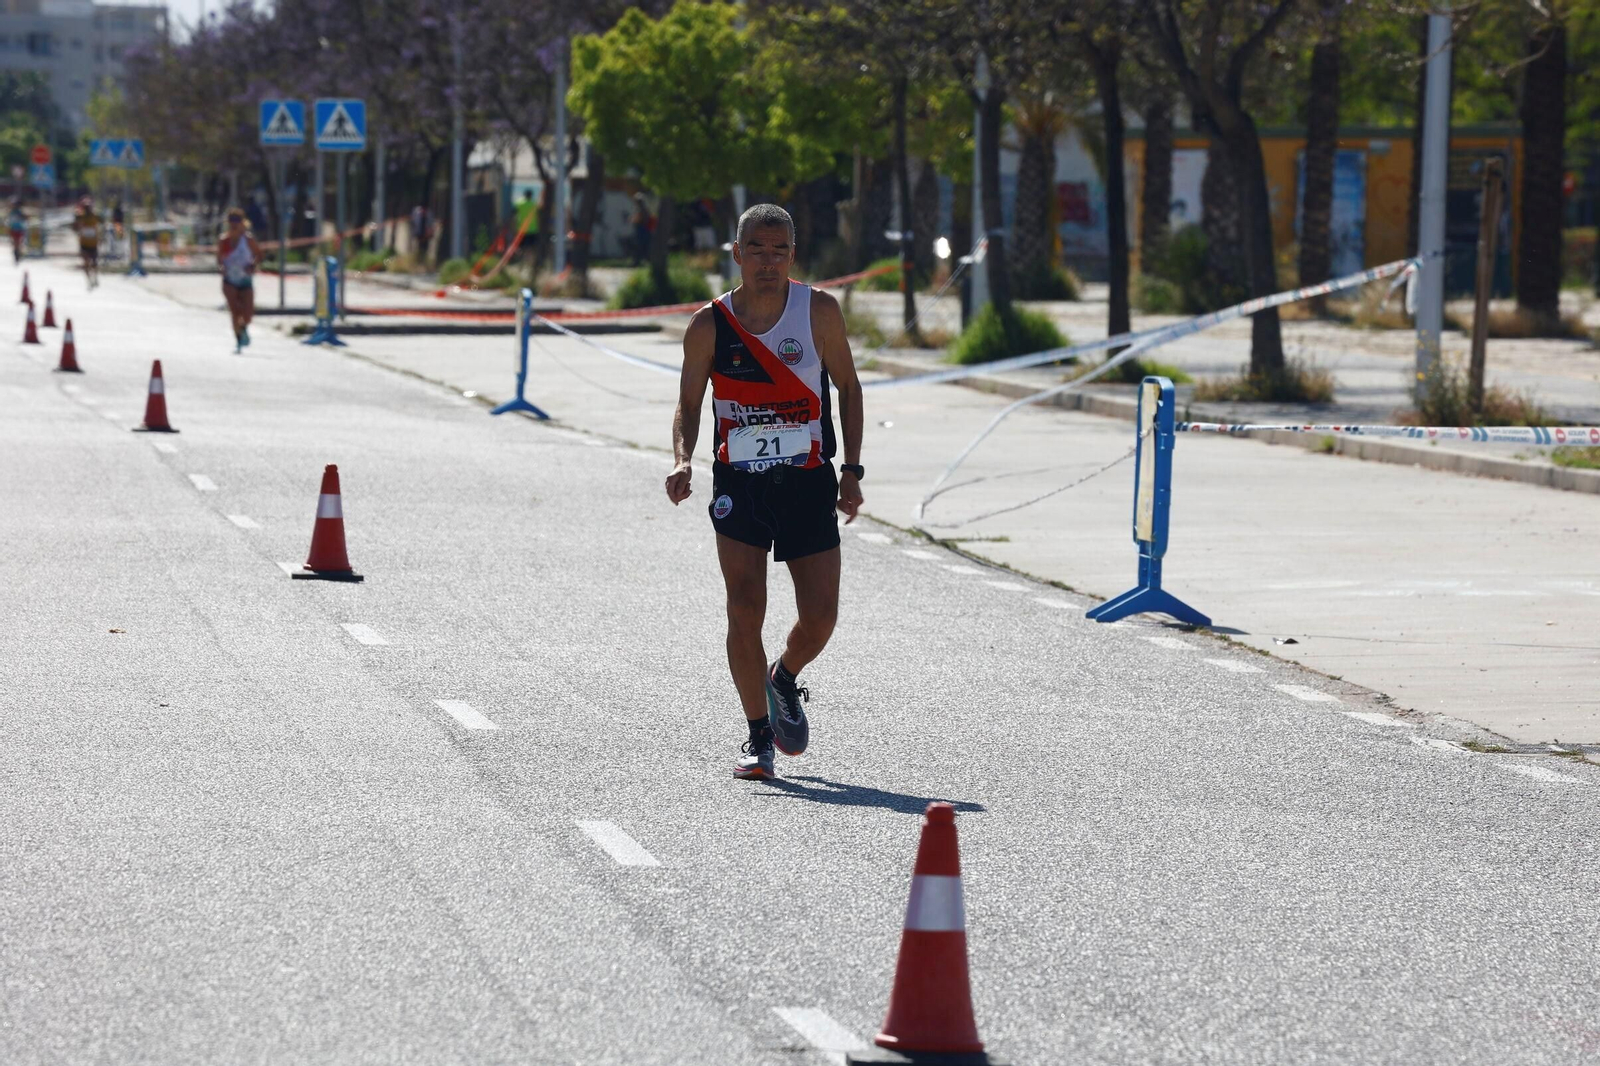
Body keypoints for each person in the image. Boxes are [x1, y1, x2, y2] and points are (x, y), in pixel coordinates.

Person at [665, 203, 865, 780]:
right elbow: (688, 402)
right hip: (740, 485)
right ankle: (757, 736)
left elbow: (849, 387)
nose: (769, 262)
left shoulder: (817, 311)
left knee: (820, 616)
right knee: (745, 605)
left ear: (793, 257)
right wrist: (683, 458)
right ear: (737, 254)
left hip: (806, 481)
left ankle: (783, 676)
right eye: (757, 249)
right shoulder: (710, 325)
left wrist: (852, 470)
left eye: (780, 251)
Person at [217, 207, 261, 351]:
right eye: (231, 221)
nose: (234, 224)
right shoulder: (224, 240)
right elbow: (219, 259)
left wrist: (252, 266)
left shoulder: (248, 239)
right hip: (230, 280)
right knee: (235, 310)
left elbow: (258, 255)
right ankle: (238, 339)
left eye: (237, 221)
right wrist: (222, 268)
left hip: (245, 279)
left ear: (243, 222)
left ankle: (243, 328)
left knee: (248, 314)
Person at [74, 197, 101, 289]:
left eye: (89, 207)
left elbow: (102, 220)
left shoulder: (95, 216)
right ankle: (89, 280)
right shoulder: (80, 216)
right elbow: (75, 225)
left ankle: (95, 278)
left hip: (93, 243)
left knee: (94, 263)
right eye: (86, 207)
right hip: (84, 243)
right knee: (86, 263)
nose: (88, 209)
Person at [6, 200, 24, 265]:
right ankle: (16, 253)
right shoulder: (12, 212)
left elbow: (22, 220)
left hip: (19, 229)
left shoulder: (19, 212)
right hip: (14, 229)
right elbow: (9, 221)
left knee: (18, 243)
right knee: (15, 243)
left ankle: (17, 253)